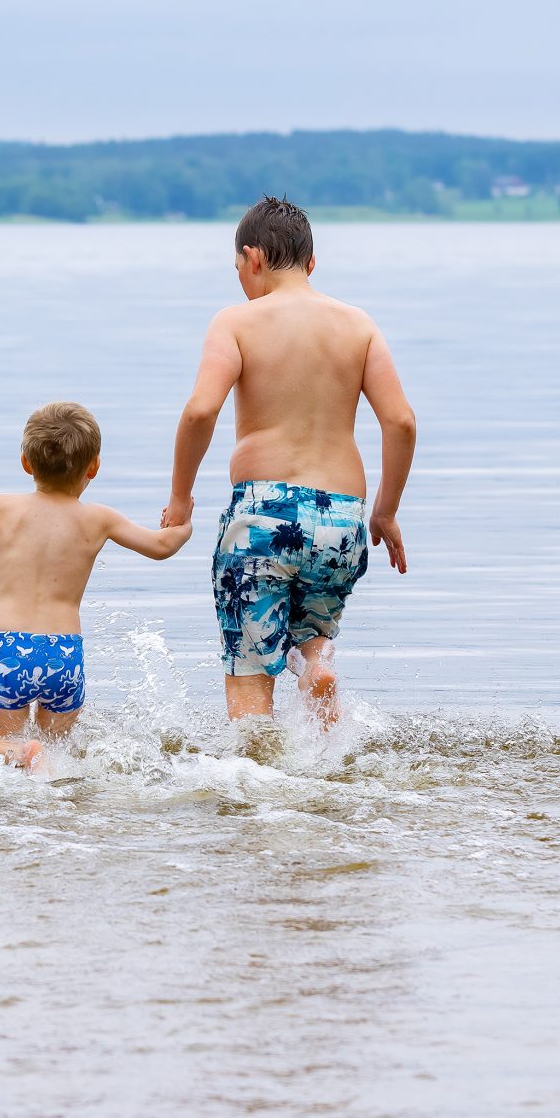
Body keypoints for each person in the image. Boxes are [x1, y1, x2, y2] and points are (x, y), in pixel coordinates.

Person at [161, 196, 417, 726]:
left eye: (238, 270)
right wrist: (386, 512)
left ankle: (254, 782)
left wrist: (180, 497)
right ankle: (315, 662)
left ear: (252, 258)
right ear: (311, 263)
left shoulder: (236, 322)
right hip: (341, 520)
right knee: (315, 643)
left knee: (250, 684)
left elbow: (200, 409)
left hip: (263, 516)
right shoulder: (358, 325)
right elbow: (401, 422)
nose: (239, 282)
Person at [0, 401, 192, 768]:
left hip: (11, 648)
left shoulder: (4, 506)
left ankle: (24, 754)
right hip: (65, 655)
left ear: (26, 463)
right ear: (94, 467)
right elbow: (161, 547)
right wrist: (182, 525)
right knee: (59, 751)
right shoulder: (100, 519)